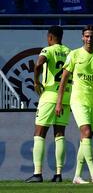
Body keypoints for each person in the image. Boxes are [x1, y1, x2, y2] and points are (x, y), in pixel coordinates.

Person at [56, 25, 93, 184]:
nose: (89, 39)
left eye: (92, 36)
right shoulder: (74, 55)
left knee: (86, 137)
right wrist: (59, 101)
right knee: (86, 132)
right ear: (82, 37)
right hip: (78, 99)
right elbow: (64, 79)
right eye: (86, 36)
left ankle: (77, 176)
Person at [25, 26, 71, 183]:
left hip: (50, 96)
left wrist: (36, 81)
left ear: (50, 37)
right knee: (60, 134)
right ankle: (58, 174)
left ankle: (37, 173)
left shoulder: (48, 50)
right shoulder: (69, 52)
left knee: (39, 132)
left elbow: (38, 64)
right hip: (65, 97)